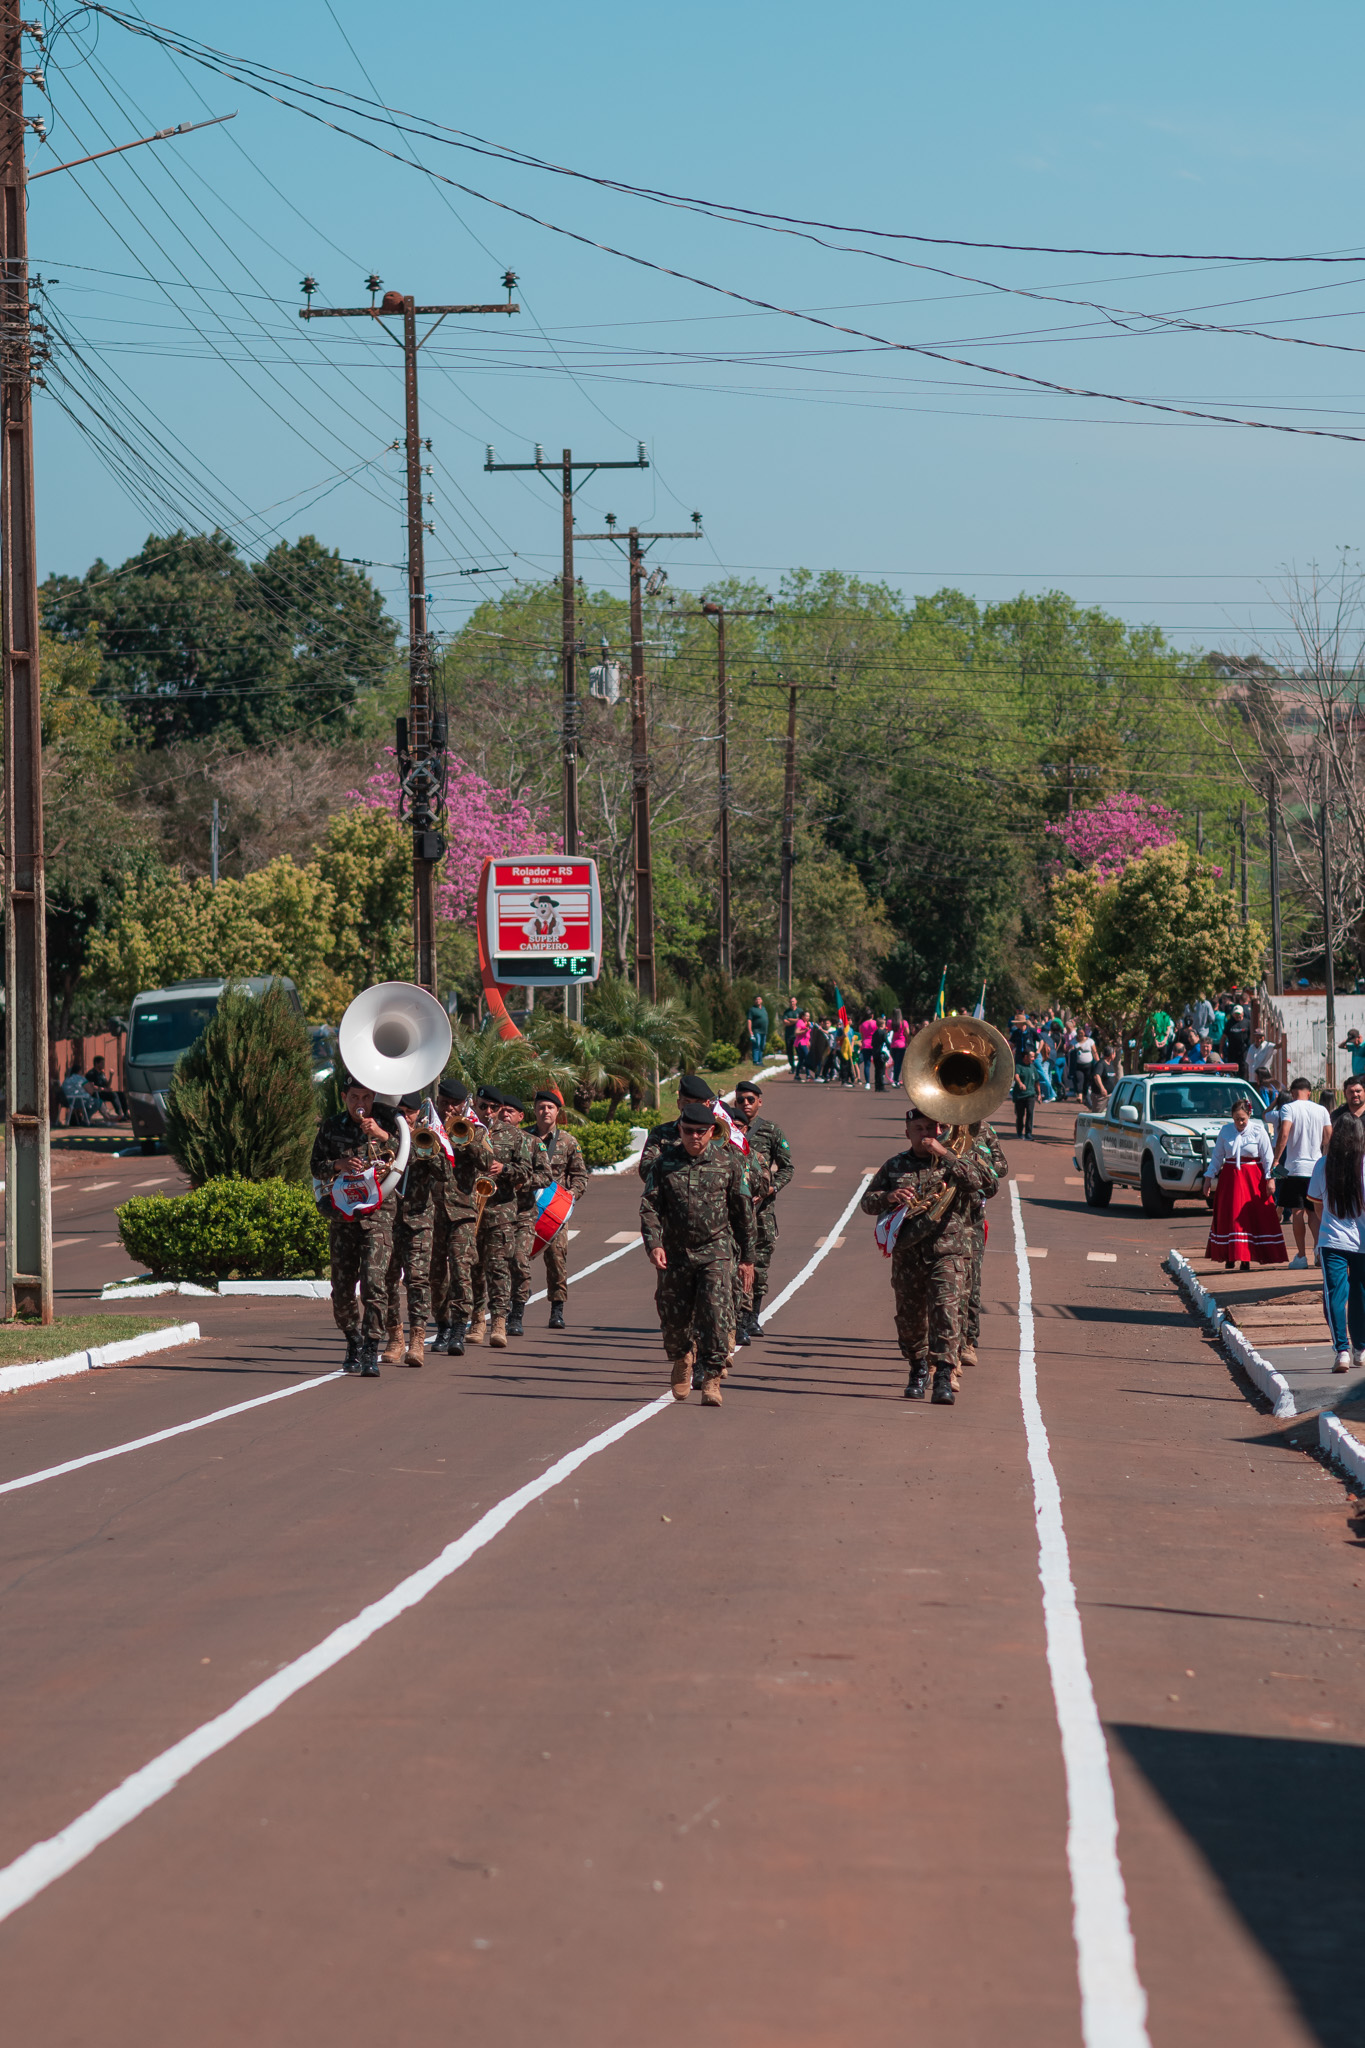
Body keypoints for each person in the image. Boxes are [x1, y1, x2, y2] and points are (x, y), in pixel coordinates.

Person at [860, 1100, 1000, 1405]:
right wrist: (888, 1196)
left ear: (942, 1128)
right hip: (908, 1253)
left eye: (933, 1128)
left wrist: (945, 1153)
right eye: (920, 1129)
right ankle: (917, 1367)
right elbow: (867, 1203)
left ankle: (943, 1376)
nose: (927, 1133)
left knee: (946, 1313)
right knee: (910, 1319)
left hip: (947, 1251)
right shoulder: (895, 1165)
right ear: (907, 1132)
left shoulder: (954, 1157)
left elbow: (983, 1183)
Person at [640, 1099, 755, 1408]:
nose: (695, 1137)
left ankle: (712, 1378)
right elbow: (649, 1206)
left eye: (701, 1132)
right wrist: (654, 1244)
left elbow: (743, 1213)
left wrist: (747, 1259)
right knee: (674, 1318)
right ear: (681, 1129)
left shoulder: (728, 1162)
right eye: (689, 1131)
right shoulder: (664, 1164)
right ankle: (681, 1357)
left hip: (714, 1251)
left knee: (716, 1316)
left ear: (711, 1131)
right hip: (675, 1253)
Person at [311, 1076, 402, 1375]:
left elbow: (409, 1154)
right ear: (344, 1096)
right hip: (343, 1215)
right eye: (353, 1097)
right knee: (342, 1287)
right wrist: (338, 1164)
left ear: (373, 1097)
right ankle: (352, 1337)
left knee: (374, 1284)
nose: (359, 1104)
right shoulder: (331, 1126)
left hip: (378, 1215)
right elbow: (316, 1166)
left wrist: (381, 1134)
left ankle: (371, 1348)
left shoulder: (389, 1121)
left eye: (365, 1098)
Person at [469, 1089, 546, 1350]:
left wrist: (505, 1169)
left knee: (499, 1267)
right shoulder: (464, 1130)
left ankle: (500, 1320)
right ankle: (477, 1319)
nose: (487, 1112)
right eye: (483, 1106)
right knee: (473, 1268)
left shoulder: (515, 1136)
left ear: (500, 1108)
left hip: (501, 1211)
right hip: (469, 1210)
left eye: (493, 1107)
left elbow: (527, 1170)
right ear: (475, 1105)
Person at [381, 1091, 451, 1368]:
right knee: (385, 1279)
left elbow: (446, 1172)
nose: (404, 1116)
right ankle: (395, 1337)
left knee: (418, 1280)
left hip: (419, 1219)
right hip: (387, 1218)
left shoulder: (428, 1137)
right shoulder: (383, 1137)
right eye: (399, 1111)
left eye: (409, 1112)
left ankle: (418, 1339)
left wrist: (423, 1147)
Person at [431, 1078, 497, 1356]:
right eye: (444, 1104)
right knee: (435, 1276)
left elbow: (486, 1162)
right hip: (432, 1210)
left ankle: (460, 1327)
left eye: (453, 1105)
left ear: (463, 1105)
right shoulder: (428, 1124)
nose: (447, 1110)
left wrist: (464, 1139)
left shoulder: (475, 1129)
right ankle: (443, 1324)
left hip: (462, 1211)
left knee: (461, 1271)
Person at [732, 1078, 793, 1339]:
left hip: (762, 1213)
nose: (746, 1104)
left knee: (760, 1266)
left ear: (760, 1101)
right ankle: (737, 1319)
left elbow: (787, 1167)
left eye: (750, 1099)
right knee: (736, 1263)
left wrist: (770, 1189)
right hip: (735, 1211)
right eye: (741, 1100)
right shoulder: (728, 1130)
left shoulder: (771, 1131)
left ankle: (752, 1317)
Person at [1308, 1111, 1365, 1372]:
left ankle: (1341, 1350)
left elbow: (1317, 1207)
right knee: (1360, 1293)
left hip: (1332, 1239)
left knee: (1335, 1294)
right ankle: (1360, 1349)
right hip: (1362, 1241)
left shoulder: (1322, 1164)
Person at [1203, 1096, 1286, 1272]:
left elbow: (1267, 1157)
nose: (1239, 1122)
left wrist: (1270, 1179)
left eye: (1242, 1119)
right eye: (1236, 1119)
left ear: (1249, 1115)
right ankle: (1230, 1253)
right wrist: (1208, 1178)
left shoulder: (1258, 1130)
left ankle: (1246, 1257)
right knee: (1231, 1215)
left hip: (1252, 1179)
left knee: (1249, 1216)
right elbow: (1217, 1157)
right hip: (1231, 1179)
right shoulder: (1226, 1131)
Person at [534, 1089, 588, 1329]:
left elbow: (580, 1176)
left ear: (558, 1112)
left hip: (555, 1213)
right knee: (516, 1262)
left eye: (550, 1107)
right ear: (535, 1110)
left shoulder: (568, 1142)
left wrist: (569, 1197)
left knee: (557, 1259)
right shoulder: (524, 1138)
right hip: (526, 1211)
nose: (546, 1111)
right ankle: (513, 1310)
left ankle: (557, 1309)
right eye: (542, 1107)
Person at [961, 1120, 1008, 1387]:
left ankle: (968, 1338)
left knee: (971, 1281)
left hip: (973, 1218)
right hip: (943, 1219)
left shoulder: (984, 1129)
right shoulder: (937, 1126)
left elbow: (1001, 1168)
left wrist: (981, 1161)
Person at [1271, 1076, 1331, 1268]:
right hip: (1316, 1167)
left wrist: (1277, 1159)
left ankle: (1301, 1256)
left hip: (1294, 1168)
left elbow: (1285, 1132)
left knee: (1297, 1211)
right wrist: (1324, 1156)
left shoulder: (1288, 1108)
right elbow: (1329, 1135)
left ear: (1292, 1092)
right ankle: (1318, 1251)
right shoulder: (1321, 1110)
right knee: (1314, 1212)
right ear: (1309, 1092)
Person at [507, 1096, 551, 1336]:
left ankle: (517, 1312)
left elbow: (546, 1177)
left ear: (521, 1116)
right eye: (501, 1110)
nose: (505, 1115)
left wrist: (521, 1183)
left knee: (520, 1260)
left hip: (523, 1214)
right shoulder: (488, 1140)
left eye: (510, 1111)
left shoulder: (533, 1143)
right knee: (493, 1265)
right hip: (495, 1213)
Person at [1011, 1048, 1042, 1139]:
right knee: (1020, 1115)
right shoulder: (1019, 1066)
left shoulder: (1032, 1067)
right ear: (1025, 1057)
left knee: (1030, 1113)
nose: (1033, 1059)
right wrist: (1020, 1084)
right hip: (1020, 1096)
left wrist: (1039, 1094)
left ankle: (1028, 1133)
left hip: (1030, 1094)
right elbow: (1016, 1075)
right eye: (1032, 1057)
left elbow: (1037, 1081)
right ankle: (1020, 1133)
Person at [1221, 1006, 1250, 1076]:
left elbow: (1251, 1036)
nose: (1237, 1016)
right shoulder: (1229, 1023)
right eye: (1236, 1014)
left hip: (1244, 1051)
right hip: (1232, 1051)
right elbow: (1224, 1037)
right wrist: (1220, 1050)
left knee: (1243, 1069)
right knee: (1232, 1070)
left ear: (1242, 1013)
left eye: (1239, 1014)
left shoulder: (1248, 1023)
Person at [746, 996, 769, 1068]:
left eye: (759, 999)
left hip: (764, 1031)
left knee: (762, 1046)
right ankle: (756, 1061)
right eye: (756, 999)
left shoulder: (764, 1009)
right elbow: (749, 1020)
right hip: (756, 1031)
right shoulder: (752, 1010)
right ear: (754, 1001)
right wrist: (750, 1032)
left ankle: (760, 1060)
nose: (758, 1001)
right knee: (757, 1045)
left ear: (761, 1000)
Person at [870, 1016, 891, 1092]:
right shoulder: (883, 1032)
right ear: (883, 1024)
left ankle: (877, 1086)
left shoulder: (875, 1033)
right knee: (881, 1070)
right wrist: (889, 1049)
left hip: (875, 1052)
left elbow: (872, 1043)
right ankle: (881, 1086)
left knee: (877, 1070)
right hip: (880, 1053)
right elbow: (886, 1041)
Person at [890, 1011, 909, 1089]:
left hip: (893, 1044)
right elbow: (907, 1033)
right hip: (901, 1045)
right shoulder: (904, 1023)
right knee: (898, 1063)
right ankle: (896, 1080)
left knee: (895, 1063)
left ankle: (895, 1079)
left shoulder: (890, 1022)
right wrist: (908, 1042)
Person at [782, 997, 801, 1074]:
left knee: (799, 1052)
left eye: (793, 1001)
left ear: (796, 1001)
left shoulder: (800, 1011)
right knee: (790, 1052)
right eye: (790, 1002)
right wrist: (795, 1021)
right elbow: (785, 1022)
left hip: (798, 1035)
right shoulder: (786, 1012)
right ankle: (792, 1067)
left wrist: (791, 1020)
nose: (792, 1003)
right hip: (789, 1035)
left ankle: (800, 1067)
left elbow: (801, 1020)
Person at [859, 1012, 876, 1089]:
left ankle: (867, 1083)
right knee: (878, 1064)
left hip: (865, 1044)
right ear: (872, 1015)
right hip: (874, 1045)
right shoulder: (875, 1023)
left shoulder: (862, 1025)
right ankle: (879, 1079)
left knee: (867, 1064)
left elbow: (862, 1036)